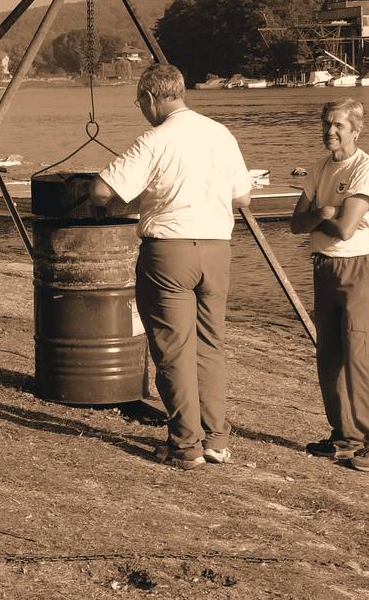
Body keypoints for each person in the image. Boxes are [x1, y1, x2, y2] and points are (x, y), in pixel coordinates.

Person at [89, 64, 252, 470]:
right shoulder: (221, 134)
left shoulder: (155, 139)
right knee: (210, 345)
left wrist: (127, 205)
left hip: (170, 252)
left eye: (139, 103)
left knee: (173, 350)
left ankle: (185, 445)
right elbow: (243, 198)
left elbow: (100, 189)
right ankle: (216, 439)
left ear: (150, 99)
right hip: (217, 250)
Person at [290, 98, 369, 472]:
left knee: (358, 355)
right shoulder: (319, 167)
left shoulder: (368, 170)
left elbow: (347, 229)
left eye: (338, 125)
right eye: (326, 123)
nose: (330, 131)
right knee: (329, 354)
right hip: (324, 265)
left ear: (355, 129)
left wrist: (320, 217)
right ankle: (344, 435)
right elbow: (295, 223)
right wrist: (323, 213)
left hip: (358, 268)